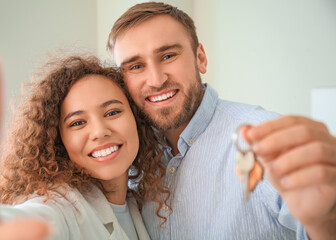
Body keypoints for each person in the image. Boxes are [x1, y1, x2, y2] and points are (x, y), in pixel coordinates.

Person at [106, 2, 336, 240]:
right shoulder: (125, 159)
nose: (155, 80)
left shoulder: (262, 141)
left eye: (168, 55)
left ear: (201, 58)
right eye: (135, 66)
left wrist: (326, 220)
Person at [0, 55, 168, 240]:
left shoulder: (139, 206)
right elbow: (26, 219)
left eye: (112, 112)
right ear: (58, 140)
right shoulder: (62, 207)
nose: (99, 131)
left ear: (137, 119)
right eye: (78, 122)